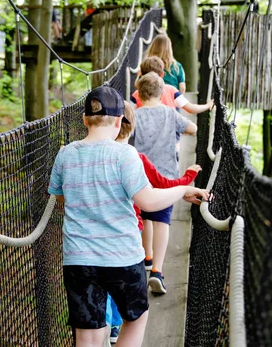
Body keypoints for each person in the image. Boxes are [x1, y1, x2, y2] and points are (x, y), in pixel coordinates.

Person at [48, 85, 208, 347]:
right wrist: (182, 190)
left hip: (78, 259)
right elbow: (148, 200)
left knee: (87, 333)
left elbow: (61, 197)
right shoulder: (125, 154)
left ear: (84, 119)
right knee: (135, 318)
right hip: (121, 257)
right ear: (120, 121)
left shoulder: (65, 154)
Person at [106, 102, 201, 342]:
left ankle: (109, 322)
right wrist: (187, 180)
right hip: (127, 234)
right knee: (127, 290)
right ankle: (155, 269)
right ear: (129, 127)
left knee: (103, 284)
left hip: (91, 243)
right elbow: (160, 187)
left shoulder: (90, 155)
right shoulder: (135, 158)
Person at [133, 73, 198, 294]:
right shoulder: (171, 114)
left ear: (139, 95)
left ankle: (146, 257)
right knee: (162, 221)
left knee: (143, 216)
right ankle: (157, 271)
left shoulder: (135, 115)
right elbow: (192, 129)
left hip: (140, 176)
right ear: (162, 93)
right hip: (167, 178)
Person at [131, 56, 213, 114]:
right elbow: (191, 108)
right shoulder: (171, 91)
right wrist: (207, 106)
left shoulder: (137, 94)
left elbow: (130, 114)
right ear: (162, 74)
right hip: (169, 136)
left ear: (141, 74)